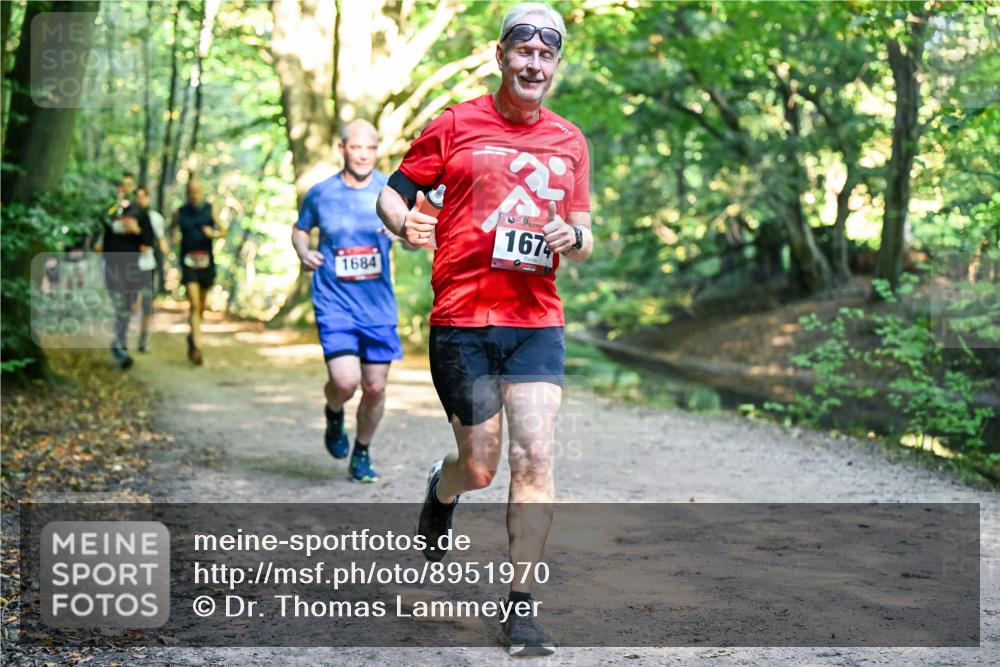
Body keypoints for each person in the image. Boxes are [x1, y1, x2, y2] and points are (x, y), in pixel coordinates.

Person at [376, 2, 592, 656]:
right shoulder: (454, 124)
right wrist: (402, 223)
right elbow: (393, 191)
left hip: (535, 319)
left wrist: (572, 235)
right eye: (522, 51)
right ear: (500, 56)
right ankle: (441, 493)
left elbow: (584, 237)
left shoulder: (569, 140)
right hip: (463, 321)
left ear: (555, 64)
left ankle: (521, 608)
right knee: (479, 465)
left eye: (546, 54)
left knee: (535, 453)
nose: (534, 63)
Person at [293, 119, 410, 483]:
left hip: (377, 306)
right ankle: (333, 409)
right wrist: (304, 252)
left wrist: (400, 231)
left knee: (375, 387)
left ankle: (362, 450)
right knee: (345, 382)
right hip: (335, 302)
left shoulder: (391, 192)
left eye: (370, 148)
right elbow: (300, 230)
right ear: (341, 149)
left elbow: (411, 238)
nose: (362, 155)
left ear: (377, 151)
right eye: (355, 148)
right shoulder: (320, 193)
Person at [99, 172, 156, 369]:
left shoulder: (140, 211)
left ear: (132, 188)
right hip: (112, 265)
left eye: (128, 185)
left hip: (133, 266)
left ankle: (119, 342)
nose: (124, 189)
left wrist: (137, 230)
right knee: (119, 304)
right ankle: (120, 344)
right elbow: (99, 235)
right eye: (121, 185)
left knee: (128, 305)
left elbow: (149, 240)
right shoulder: (108, 210)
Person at [170, 180, 224, 365]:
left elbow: (223, 230)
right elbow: (172, 227)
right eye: (191, 192)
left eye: (197, 191)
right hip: (188, 263)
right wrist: (174, 237)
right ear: (187, 193)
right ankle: (197, 348)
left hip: (206, 263)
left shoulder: (209, 209)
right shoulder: (181, 212)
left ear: (201, 192)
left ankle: (193, 334)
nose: (195, 195)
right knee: (193, 303)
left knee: (200, 306)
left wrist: (214, 234)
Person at [134, 186, 169, 352]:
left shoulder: (155, 218)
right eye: (137, 197)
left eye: (143, 197)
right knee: (131, 303)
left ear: (148, 198)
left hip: (147, 266)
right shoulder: (128, 217)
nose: (140, 200)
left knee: (147, 305)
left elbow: (162, 241)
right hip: (130, 267)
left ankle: (143, 340)